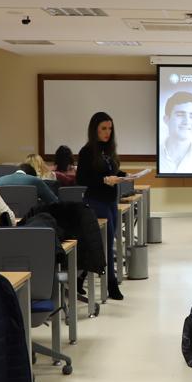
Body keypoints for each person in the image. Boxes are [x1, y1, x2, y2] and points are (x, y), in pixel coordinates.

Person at [77, 111, 130, 300]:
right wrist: (104, 180)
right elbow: (82, 179)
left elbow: (111, 170)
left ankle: (80, 277)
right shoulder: (87, 152)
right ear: (95, 130)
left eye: (110, 128)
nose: (107, 132)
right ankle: (111, 284)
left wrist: (123, 175)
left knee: (105, 242)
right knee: (106, 244)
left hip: (110, 200)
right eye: (103, 129)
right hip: (95, 201)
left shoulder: (108, 151)